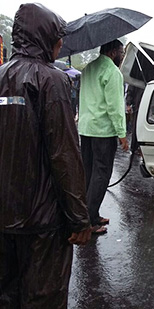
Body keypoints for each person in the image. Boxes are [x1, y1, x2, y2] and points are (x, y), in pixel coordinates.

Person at [0, 3, 91, 307]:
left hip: (3, 217)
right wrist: (79, 220)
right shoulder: (52, 81)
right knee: (43, 298)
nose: (61, 42)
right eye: (58, 36)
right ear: (44, 37)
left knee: (7, 295)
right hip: (43, 223)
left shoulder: (1, 76)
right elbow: (65, 155)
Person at [78, 39, 129, 234]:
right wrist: (122, 134)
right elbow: (115, 107)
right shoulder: (112, 72)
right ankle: (89, 222)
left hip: (86, 129)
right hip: (103, 132)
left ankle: (91, 214)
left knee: (89, 173)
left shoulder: (89, 68)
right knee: (101, 175)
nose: (122, 56)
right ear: (113, 51)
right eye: (121, 52)